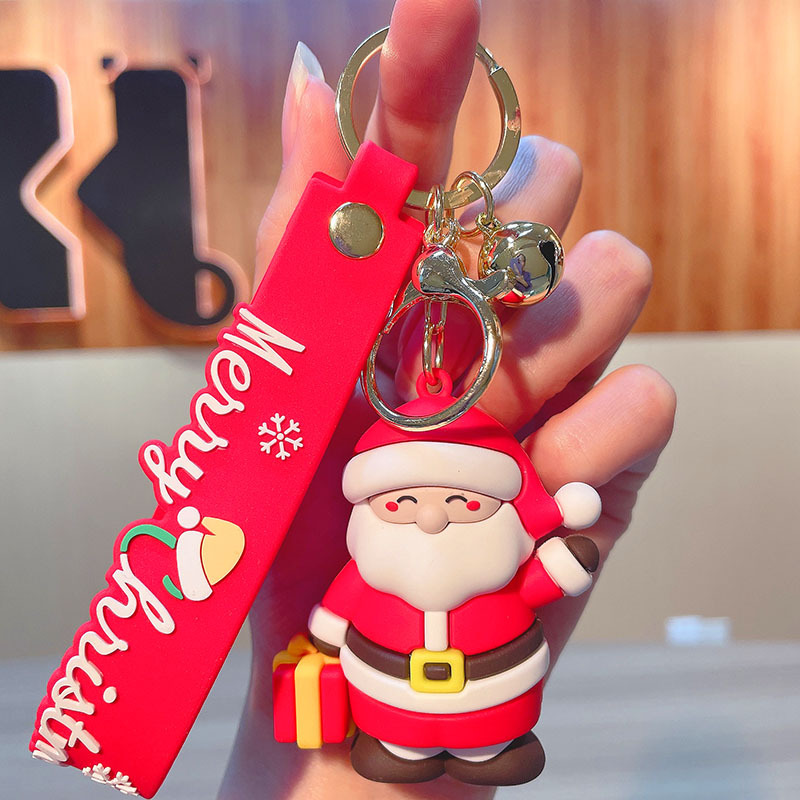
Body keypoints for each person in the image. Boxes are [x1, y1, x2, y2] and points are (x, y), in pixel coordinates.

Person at [219, 1, 676, 797]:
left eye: (460, 503)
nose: (430, 519)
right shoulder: (377, 569)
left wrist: (561, 557)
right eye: (404, 505)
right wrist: (315, 660)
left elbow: (541, 572)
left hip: (497, 687)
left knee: (490, 729)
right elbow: (336, 614)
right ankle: (397, 752)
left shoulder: (496, 554)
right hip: (380, 694)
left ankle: (484, 747)